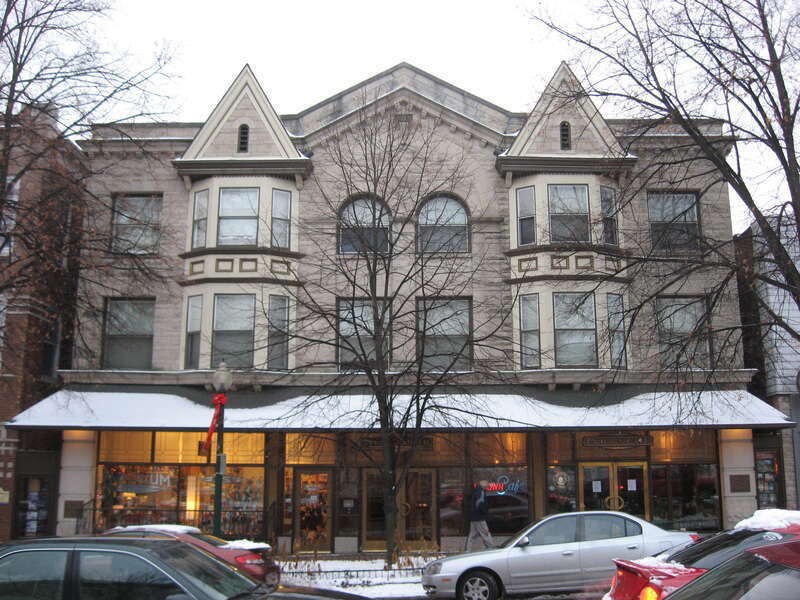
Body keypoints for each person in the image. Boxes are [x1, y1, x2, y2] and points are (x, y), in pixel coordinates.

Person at [465, 479, 494, 551]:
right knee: (485, 533)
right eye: (487, 485)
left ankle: (468, 549)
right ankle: (491, 548)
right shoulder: (481, 492)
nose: (487, 487)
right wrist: (485, 512)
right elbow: (480, 504)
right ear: (484, 486)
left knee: (472, 535)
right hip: (479, 517)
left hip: (474, 517)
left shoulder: (476, 492)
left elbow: (477, 504)